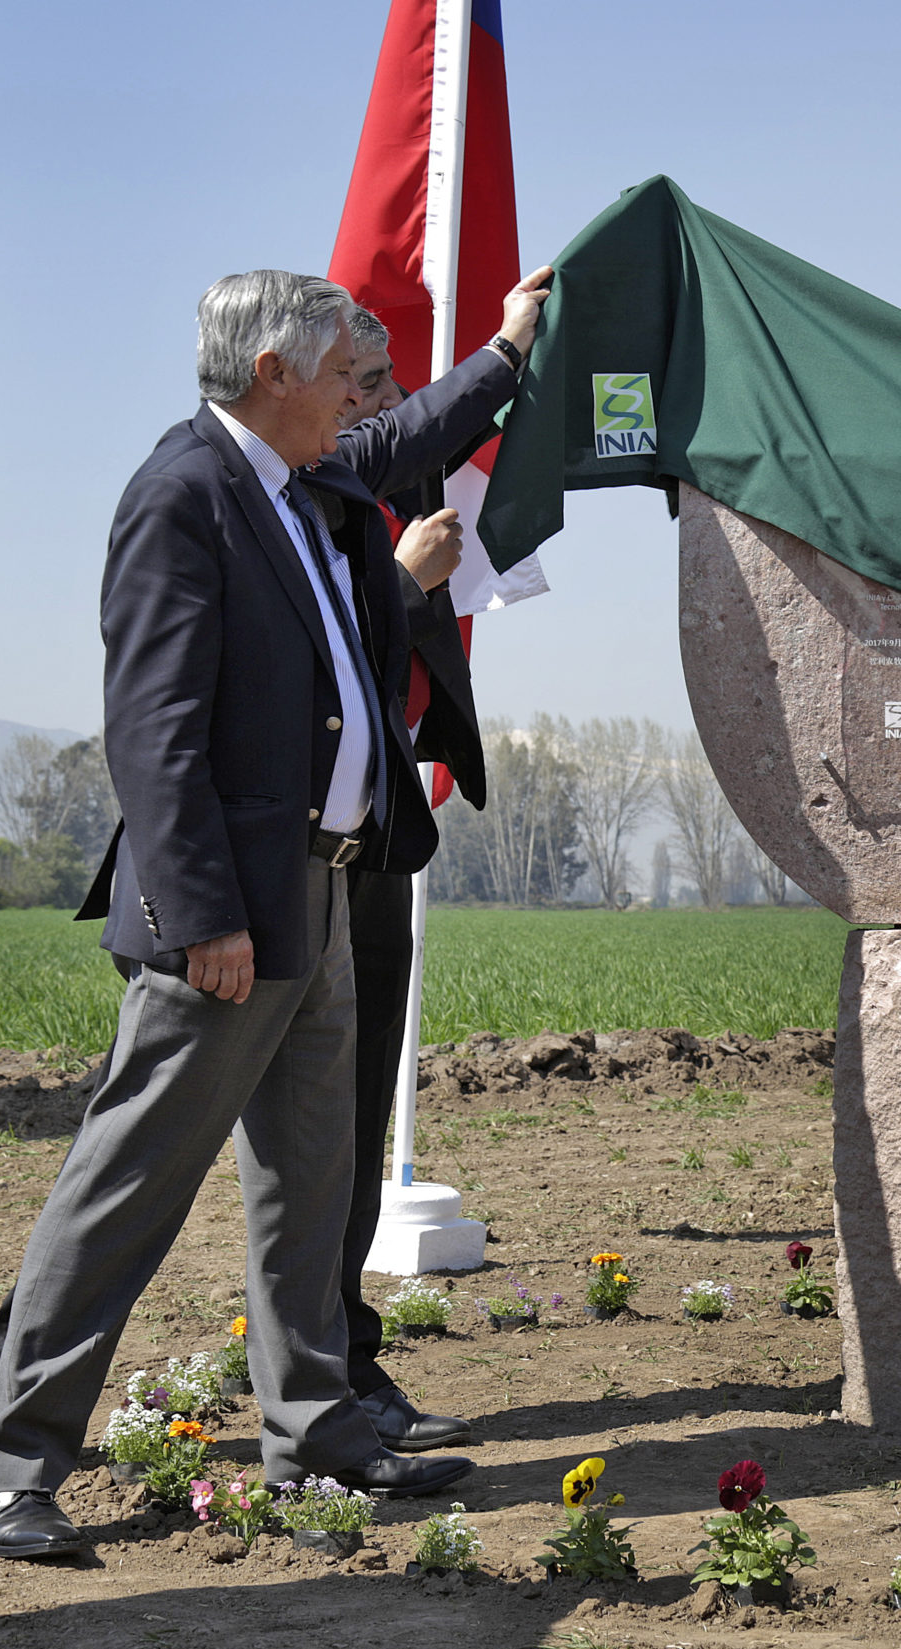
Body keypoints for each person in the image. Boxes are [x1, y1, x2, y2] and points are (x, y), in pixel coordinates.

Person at [0, 271, 473, 1560]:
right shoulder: (184, 491)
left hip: (331, 893)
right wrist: (203, 915)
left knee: (311, 1188)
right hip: (230, 919)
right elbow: (153, 732)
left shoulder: (306, 493)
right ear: (271, 376)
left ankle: (321, 1437)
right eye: (340, 375)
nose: (360, 396)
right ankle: (12, 1462)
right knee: (128, 1184)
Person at [302, 282, 550, 1450]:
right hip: (282, 871)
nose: (389, 402)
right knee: (167, 1152)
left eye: (397, 383)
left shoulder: (381, 471)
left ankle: (339, 1373)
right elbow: (310, 659)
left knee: (352, 1129)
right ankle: (30, 1390)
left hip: (380, 842)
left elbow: (421, 441)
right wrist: (503, 348)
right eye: (367, 383)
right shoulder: (286, 488)